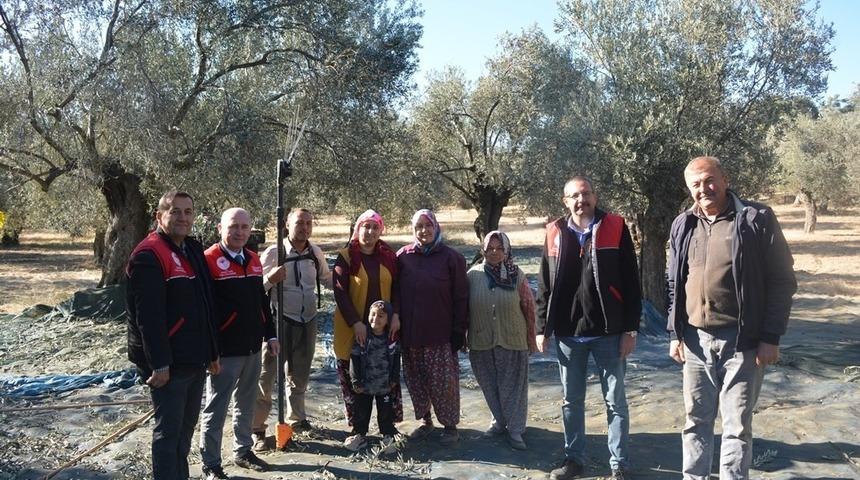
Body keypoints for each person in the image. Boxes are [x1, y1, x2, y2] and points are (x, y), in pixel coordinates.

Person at [668, 156, 796, 479]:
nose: (704, 189)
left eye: (709, 180)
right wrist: (675, 333)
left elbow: (782, 280)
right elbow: (673, 282)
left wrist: (770, 337)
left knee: (737, 426)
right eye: (695, 184)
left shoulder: (756, 219)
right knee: (695, 422)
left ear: (725, 178)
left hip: (743, 342)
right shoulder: (683, 224)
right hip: (695, 342)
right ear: (688, 189)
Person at [536, 176, 642, 480]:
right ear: (565, 201)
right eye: (574, 196)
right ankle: (574, 460)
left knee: (616, 402)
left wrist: (630, 329)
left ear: (595, 197)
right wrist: (542, 328)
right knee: (571, 401)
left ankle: (619, 465)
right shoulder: (554, 233)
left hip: (609, 332)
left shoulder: (615, 227)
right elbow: (544, 285)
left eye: (585, 194)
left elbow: (631, 283)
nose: (580, 200)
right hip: (569, 335)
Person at [126, 190, 220, 480]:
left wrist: (212, 352)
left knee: (184, 432)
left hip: (194, 358)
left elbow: (206, 302)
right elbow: (148, 317)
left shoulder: (190, 248)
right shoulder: (149, 255)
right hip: (169, 365)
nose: (182, 217)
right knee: (168, 435)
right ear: (159, 216)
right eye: (175, 211)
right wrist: (160, 363)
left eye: (188, 211)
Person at [199, 208, 278, 479]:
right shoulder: (208, 260)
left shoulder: (254, 259)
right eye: (234, 226)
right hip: (224, 352)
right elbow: (204, 311)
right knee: (216, 408)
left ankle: (243, 451)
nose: (239, 232)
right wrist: (210, 350)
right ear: (221, 228)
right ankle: (210, 463)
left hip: (253, 347)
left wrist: (271, 334)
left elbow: (262, 303)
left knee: (246, 401)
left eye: (245, 227)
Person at [252, 208, 331, 450]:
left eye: (309, 223)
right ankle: (257, 429)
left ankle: (297, 419)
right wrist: (271, 280)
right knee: (266, 377)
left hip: (307, 321)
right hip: (278, 323)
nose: (305, 228)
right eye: (300, 223)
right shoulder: (274, 252)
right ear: (287, 224)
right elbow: (256, 290)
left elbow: (328, 279)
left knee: (299, 376)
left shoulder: (315, 252)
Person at [396, 209, 468, 446]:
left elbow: (461, 297)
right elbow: (395, 293)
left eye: (428, 225)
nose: (423, 231)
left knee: (444, 383)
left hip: (441, 334)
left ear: (436, 227)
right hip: (411, 334)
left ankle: (450, 426)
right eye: (418, 227)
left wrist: (459, 330)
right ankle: (425, 422)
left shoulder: (452, 258)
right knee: (416, 380)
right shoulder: (403, 256)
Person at [332, 210, 403, 441]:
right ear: (358, 229)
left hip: (382, 330)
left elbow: (397, 289)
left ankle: (388, 428)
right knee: (356, 379)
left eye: (375, 227)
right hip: (353, 330)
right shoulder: (346, 256)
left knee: (385, 376)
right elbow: (340, 293)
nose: (370, 232)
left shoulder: (389, 256)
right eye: (366, 226)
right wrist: (356, 323)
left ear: (381, 230)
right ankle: (358, 429)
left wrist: (395, 316)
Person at [466, 230, 537, 451]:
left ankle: (515, 429)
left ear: (507, 251)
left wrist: (531, 339)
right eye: (490, 248)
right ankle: (498, 422)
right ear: (483, 250)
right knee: (489, 385)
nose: (494, 252)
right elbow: (462, 308)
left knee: (513, 387)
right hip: (481, 340)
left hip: (512, 339)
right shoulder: (472, 275)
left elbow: (529, 308)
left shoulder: (517, 275)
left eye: (499, 248)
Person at [344, 300, 402, 453]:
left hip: (384, 385)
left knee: (385, 413)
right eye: (373, 314)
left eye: (381, 316)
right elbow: (354, 359)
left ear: (388, 320)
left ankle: (388, 436)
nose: (375, 318)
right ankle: (359, 435)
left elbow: (396, 359)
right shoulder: (363, 338)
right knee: (362, 411)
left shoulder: (392, 339)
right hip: (365, 386)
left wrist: (394, 379)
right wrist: (355, 381)